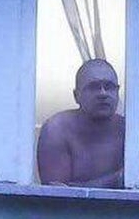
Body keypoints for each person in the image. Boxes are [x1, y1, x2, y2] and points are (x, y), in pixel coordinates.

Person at [37, 59, 125, 188]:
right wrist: (118, 180)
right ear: (76, 96)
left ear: (117, 92)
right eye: (94, 87)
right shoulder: (57, 130)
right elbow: (57, 194)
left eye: (109, 87)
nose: (103, 93)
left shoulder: (129, 131)